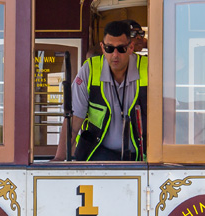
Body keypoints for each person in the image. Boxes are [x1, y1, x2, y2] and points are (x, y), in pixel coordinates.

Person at [55, 20, 147, 162]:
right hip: (98, 152)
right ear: (103, 48)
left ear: (131, 47)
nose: (115, 55)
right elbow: (73, 124)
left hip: (141, 155)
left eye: (121, 49)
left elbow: (167, 119)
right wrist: (59, 160)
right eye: (109, 49)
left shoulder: (149, 69)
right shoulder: (89, 70)